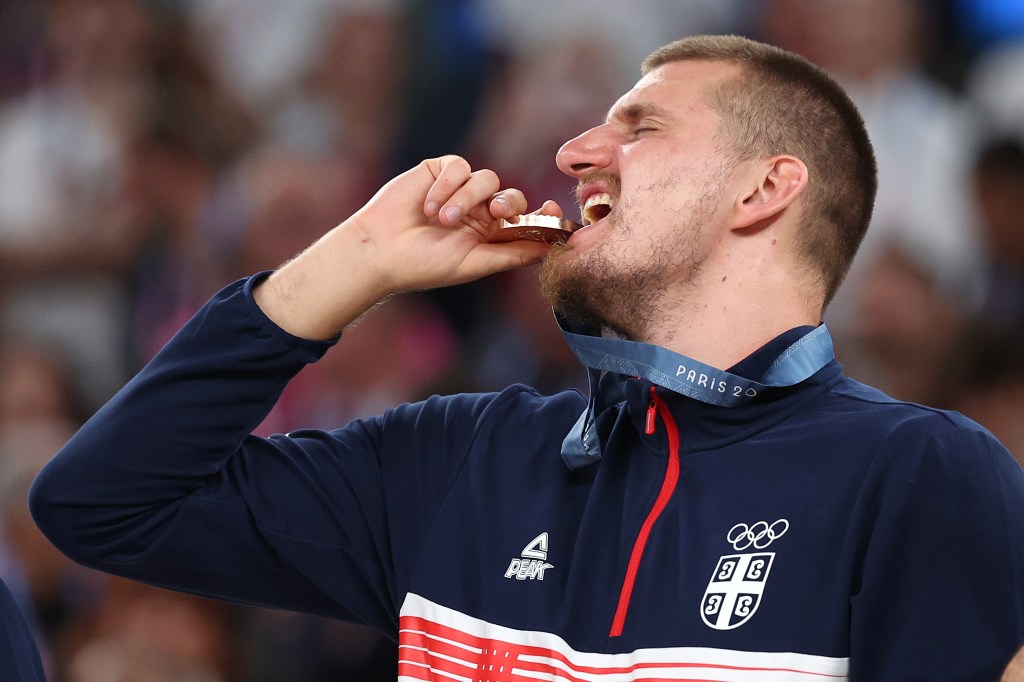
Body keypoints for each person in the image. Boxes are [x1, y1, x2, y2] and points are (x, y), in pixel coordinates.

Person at [28, 34, 1024, 680]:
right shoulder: (463, 458)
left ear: (763, 189)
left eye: (639, 127)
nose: (579, 150)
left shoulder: (919, 473)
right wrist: (355, 260)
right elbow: (103, 502)